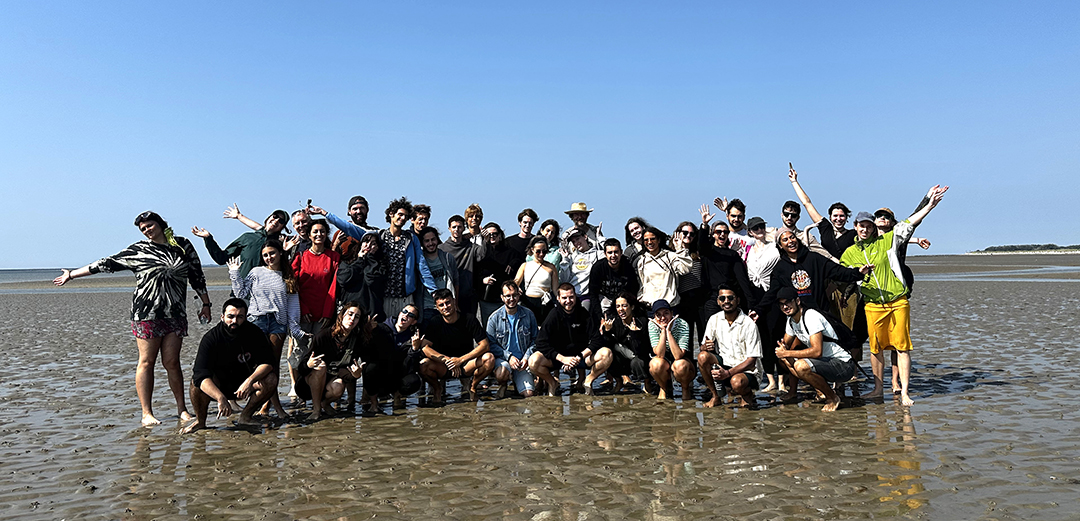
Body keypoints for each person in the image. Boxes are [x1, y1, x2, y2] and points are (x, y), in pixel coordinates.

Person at [55, 211, 210, 427]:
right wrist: (72, 275)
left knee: (172, 362)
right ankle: (147, 413)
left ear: (160, 223)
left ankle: (182, 409)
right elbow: (105, 264)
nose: (147, 230)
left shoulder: (182, 245)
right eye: (143, 228)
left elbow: (197, 275)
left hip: (175, 313)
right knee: (147, 362)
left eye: (150, 225)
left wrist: (206, 304)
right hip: (146, 314)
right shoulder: (138, 250)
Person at [841, 186, 948, 406]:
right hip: (872, 304)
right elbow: (841, 274)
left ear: (873, 229)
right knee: (876, 348)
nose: (865, 229)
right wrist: (856, 275)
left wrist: (929, 204)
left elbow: (910, 223)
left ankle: (905, 392)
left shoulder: (887, 240)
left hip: (897, 301)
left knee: (902, 346)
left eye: (869, 226)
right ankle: (878, 389)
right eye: (862, 226)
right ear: (855, 227)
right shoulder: (849, 253)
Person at [310, 197, 437, 321]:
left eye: (405, 216)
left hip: (405, 296)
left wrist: (434, 291)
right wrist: (325, 213)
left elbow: (421, 266)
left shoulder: (411, 238)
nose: (402, 218)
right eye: (400, 214)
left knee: (405, 334)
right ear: (391, 214)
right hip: (384, 295)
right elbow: (350, 228)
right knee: (386, 332)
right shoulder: (380, 235)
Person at [228, 240, 308, 418]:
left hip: (278, 323)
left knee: (273, 365)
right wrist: (234, 272)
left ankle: (267, 406)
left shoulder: (288, 275)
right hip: (257, 321)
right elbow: (241, 293)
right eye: (265, 255)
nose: (269, 258)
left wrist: (294, 328)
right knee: (258, 365)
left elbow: (293, 306)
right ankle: (272, 407)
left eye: (272, 253)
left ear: (280, 253)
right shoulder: (256, 272)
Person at [182, 299, 278, 433]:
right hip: (219, 386)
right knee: (195, 384)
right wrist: (220, 397)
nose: (234, 321)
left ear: (246, 317)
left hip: (244, 385)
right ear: (222, 317)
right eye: (230, 316)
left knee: (271, 379)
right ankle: (200, 421)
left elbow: (267, 363)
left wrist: (249, 381)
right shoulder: (211, 338)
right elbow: (200, 375)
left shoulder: (255, 333)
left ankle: (245, 416)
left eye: (240, 317)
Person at [773, 288, 854, 412]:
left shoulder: (810, 316)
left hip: (843, 365)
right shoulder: (791, 321)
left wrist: (787, 352)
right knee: (784, 359)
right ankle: (817, 391)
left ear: (798, 301)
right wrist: (783, 350)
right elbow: (785, 344)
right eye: (781, 304)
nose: (785, 306)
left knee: (801, 365)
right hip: (825, 362)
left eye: (788, 302)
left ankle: (832, 398)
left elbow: (817, 351)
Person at [415, 289, 496, 403]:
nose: (445, 307)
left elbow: (484, 345)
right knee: (423, 365)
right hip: (444, 365)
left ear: (454, 301)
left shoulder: (469, 319)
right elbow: (425, 347)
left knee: (489, 358)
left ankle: (473, 386)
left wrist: (460, 360)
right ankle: (437, 388)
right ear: (437, 307)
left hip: (466, 364)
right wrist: (446, 360)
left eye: (448, 303)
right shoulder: (435, 322)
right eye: (441, 305)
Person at [531, 284, 611, 396]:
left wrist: (580, 356)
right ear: (558, 299)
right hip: (558, 359)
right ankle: (552, 383)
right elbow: (541, 343)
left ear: (575, 296)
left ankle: (588, 381)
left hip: (581, 357)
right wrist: (562, 358)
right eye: (564, 298)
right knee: (534, 361)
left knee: (606, 354)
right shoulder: (553, 315)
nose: (568, 301)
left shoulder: (583, 313)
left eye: (571, 297)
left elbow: (597, 339)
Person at [295, 303, 366, 419]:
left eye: (357, 317)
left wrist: (356, 375)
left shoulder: (356, 341)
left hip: (330, 383)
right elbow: (301, 368)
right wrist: (309, 364)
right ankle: (316, 410)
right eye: (350, 314)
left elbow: (348, 373)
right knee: (320, 366)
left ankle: (325, 403)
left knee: (339, 386)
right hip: (306, 385)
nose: (352, 318)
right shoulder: (323, 336)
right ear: (341, 315)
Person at [698, 286, 763, 408]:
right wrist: (705, 347)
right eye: (722, 298)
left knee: (736, 382)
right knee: (702, 357)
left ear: (737, 300)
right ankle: (715, 396)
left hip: (747, 370)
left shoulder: (749, 324)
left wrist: (727, 373)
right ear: (718, 301)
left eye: (730, 298)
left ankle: (747, 393)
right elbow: (702, 347)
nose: (726, 301)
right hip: (725, 364)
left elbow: (751, 360)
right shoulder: (714, 319)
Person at [743, 216, 784, 393]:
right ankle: (770, 380)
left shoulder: (774, 247)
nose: (759, 230)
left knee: (778, 338)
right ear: (750, 231)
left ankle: (782, 381)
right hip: (756, 298)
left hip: (774, 296)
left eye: (761, 226)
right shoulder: (748, 251)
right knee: (763, 340)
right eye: (755, 228)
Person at [192, 205, 289, 279]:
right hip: (242, 291)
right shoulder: (247, 237)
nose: (276, 221)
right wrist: (208, 239)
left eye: (281, 221)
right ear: (269, 217)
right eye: (275, 216)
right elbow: (222, 258)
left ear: (283, 227)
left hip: (266, 293)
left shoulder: (282, 242)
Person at [697, 207, 755, 320]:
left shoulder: (733, 255)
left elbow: (742, 279)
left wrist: (751, 303)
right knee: (711, 334)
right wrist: (704, 225)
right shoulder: (708, 252)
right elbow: (702, 244)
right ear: (713, 234)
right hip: (712, 298)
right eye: (718, 232)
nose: (722, 234)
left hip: (730, 298)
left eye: (725, 232)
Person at [486, 281, 540, 398]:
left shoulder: (529, 314)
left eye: (514, 295)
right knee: (502, 373)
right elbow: (490, 344)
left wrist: (526, 357)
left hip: (523, 362)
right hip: (504, 360)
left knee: (529, 394)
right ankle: (504, 384)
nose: (512, 299)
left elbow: (535, 340)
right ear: (502, 297)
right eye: (508, 296)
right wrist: (509, 357)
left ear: (519, 295)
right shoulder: (494, 318)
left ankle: (518, 382)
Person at [598, 292, 652, 393]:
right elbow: (608, 345)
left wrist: (635, 334)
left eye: (624, 306)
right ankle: (619, 381)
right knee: (609, 354)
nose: (621, 309)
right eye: (618, 306)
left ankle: (647, 383)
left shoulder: (642, 321)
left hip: (639, 356)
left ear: (632, 307)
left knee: (638, 361)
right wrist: (607, 332)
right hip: (623, 355)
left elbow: (641, 350)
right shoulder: (615, 321)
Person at [439, 214, 489, 317]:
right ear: (449, 229)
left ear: (464, 228)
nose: (456, 229)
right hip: (447, 295)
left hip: (467, 295)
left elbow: (481, 256)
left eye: (459, 227)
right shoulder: (441, 249)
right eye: (454, 227)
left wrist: (485, 240)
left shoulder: (471, 247)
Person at [475, 222, 524, 325]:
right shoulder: (480, 252)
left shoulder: (510, 252)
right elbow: (474, 272)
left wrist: (513, 263)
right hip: (487, 298)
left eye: (494, 234)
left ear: (500, 235)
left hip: (506, 298)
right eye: (488, 234)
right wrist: (483, 280)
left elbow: (520, 262)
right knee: (488, 327)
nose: (492, 236)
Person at [647, 299, 695, 401]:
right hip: (665, 360)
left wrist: (668, 331)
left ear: (672, 313)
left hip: (683, 361)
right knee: (655, 364)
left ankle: (685, 388)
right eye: (658, 315)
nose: (663, 317)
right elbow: (659, 354)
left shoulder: (682, 324)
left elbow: (678, 355)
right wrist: (663, 331)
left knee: (680, 365)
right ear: (654, 316)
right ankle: (663, 388)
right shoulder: (652, 324)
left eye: (666, 313)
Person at [337, 233, 389, 323]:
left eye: (373, 243)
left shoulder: (381, 266)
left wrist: (370, 258)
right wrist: (360, 260)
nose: (368, 245)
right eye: (366, 241)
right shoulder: (347, 262)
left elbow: (371, 280)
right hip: (350, 314)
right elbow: (344, 280)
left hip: (371, 316)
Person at [635, 227, 691, 307]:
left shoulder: (670, 256)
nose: (649, 242)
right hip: (651, 307)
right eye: (646, 240)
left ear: (659, 240)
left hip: (670, 305)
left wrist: (680, 249)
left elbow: (685, 269)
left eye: (653, 239)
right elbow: (643, 284)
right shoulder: (642, 261)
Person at [671, 221, 707, 341]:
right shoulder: (671, 253)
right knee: (686, 333)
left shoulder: (697, 252)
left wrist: (705, 225)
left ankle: (705, 358)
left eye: (691, 234)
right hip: (683, 297)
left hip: (699, 296)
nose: (688, 236)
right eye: (685, 233)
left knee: (704, 331)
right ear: (678, 233)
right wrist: (679, 248)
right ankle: (688, 359)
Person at [588, 238, 640, 321]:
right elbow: (593, 293)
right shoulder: (598, 267)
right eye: (610, 252)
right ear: (605, 254)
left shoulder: (628, 266)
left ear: (621, 252)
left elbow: (633, 289)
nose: (613, 255)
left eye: (616, 252)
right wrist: (600, 317)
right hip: (605, 299)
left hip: (622, 299)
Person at [385, 304, 425, 408]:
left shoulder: (413, 337)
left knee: (414, 381)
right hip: (384, 371)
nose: (406, 315)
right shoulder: (383, 328)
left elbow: (412, 367)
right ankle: (371, 398)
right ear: (399, 314)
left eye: (411, 315)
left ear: (414, 322)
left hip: (401, 372)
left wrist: (414, 349)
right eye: (404, 311)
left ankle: (398, 394)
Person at [417, 226, 460, 322]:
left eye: (433, 239)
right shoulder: (420, 261)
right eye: (426, 241)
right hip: (427, 307)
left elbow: (456, 282)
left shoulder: (448, 258)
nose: (430, 243)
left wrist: (455, 303)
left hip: (447, 306)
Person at [514, 236, 560, 324]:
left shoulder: (551, 267)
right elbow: (516, 282)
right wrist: (516, 288)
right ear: (532, 250)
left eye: (544, 251)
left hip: (545, 302)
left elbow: (555, 290)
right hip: (528, 302)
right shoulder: (525, 265)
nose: (541, 254)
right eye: (538, 251)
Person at [559, 226, 603, 312]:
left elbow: (609, 251)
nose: (576, 243)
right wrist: (565, 260)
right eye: (573, 241)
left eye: (578, 239)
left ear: (585, 237)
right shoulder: (571, 257)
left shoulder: (598, 254)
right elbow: (564, 280)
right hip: (571, 295)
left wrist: (600, 238)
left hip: (587, 296)